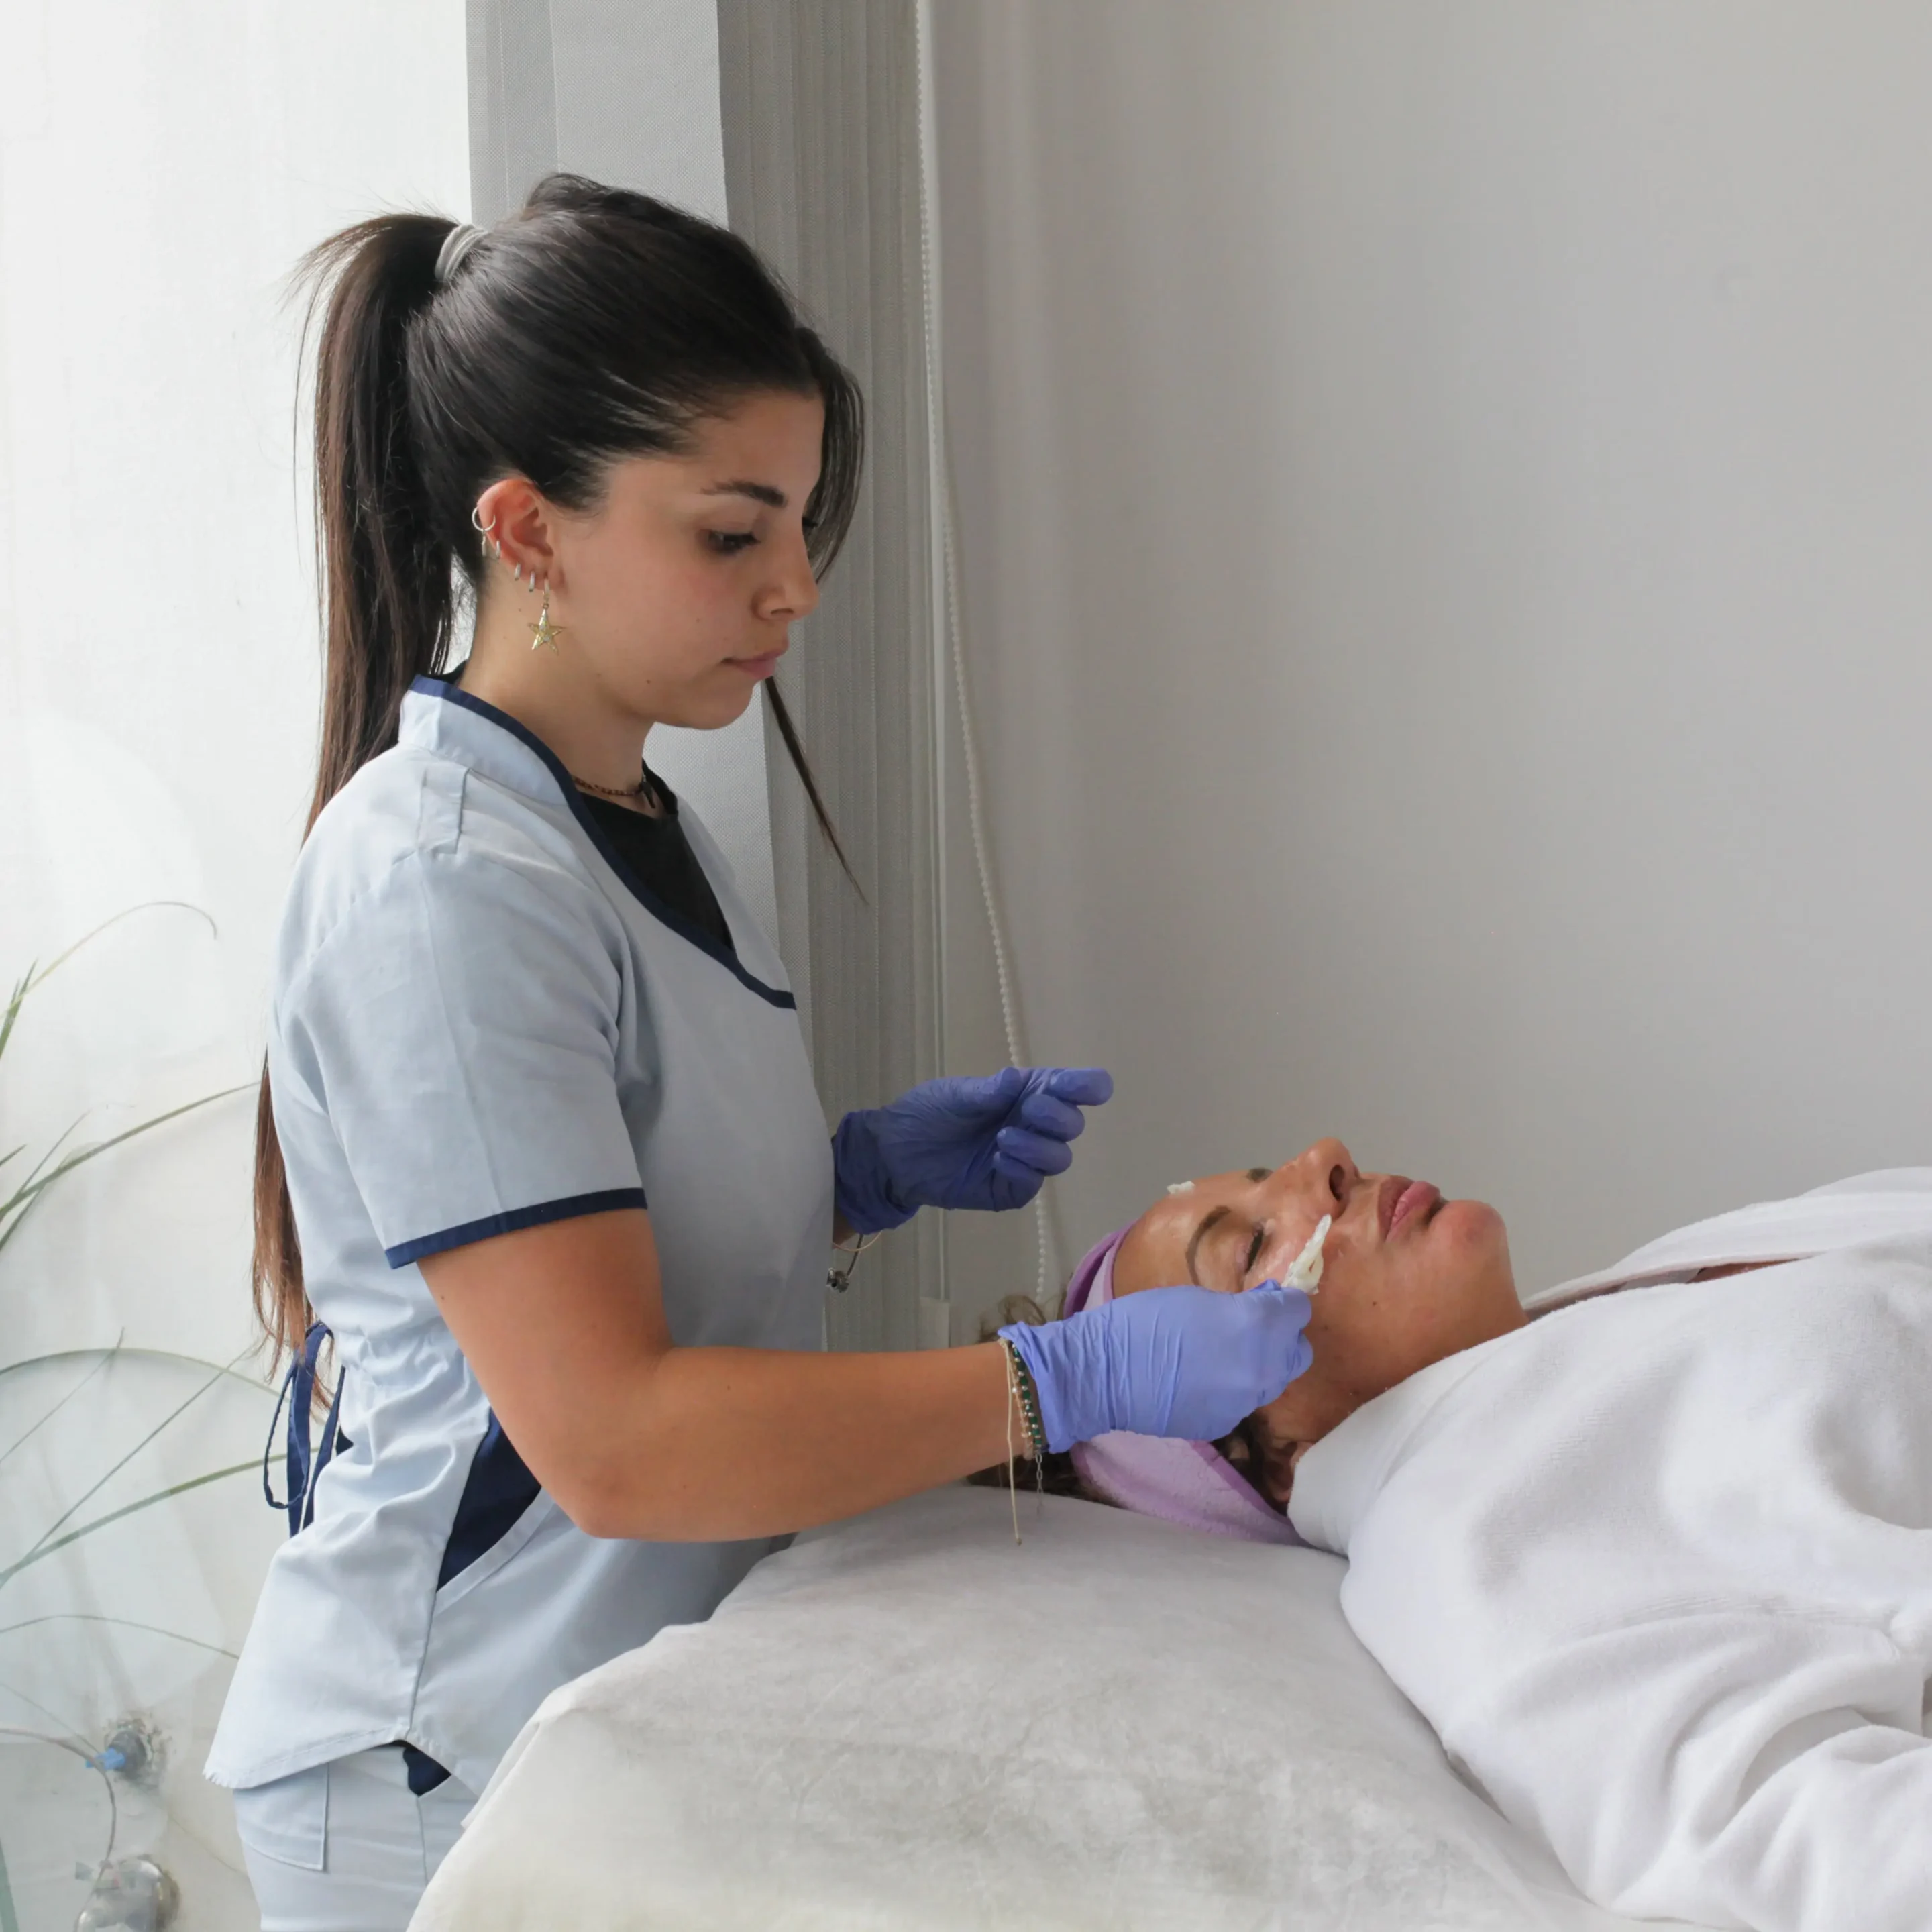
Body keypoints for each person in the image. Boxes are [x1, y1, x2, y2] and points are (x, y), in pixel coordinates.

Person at [206, 176, 1318, 1931]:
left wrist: (850, 1181)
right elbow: (615, 1438)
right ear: (531, 530)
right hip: (445, 1768)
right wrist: (1062, 1380)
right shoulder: (444, 883)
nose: (796, 588)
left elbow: (622, 1256)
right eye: (733, 533)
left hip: (624, 1716)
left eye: (800, 523)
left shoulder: (644, 819)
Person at [1038, 1143, 1932, 1931]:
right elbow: (1823, 1846)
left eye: (1274, 1175)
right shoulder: (1471, 1543)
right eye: (1252, 1247)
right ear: (1277, 1459)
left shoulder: (1595, 1339)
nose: (1328, 1157)